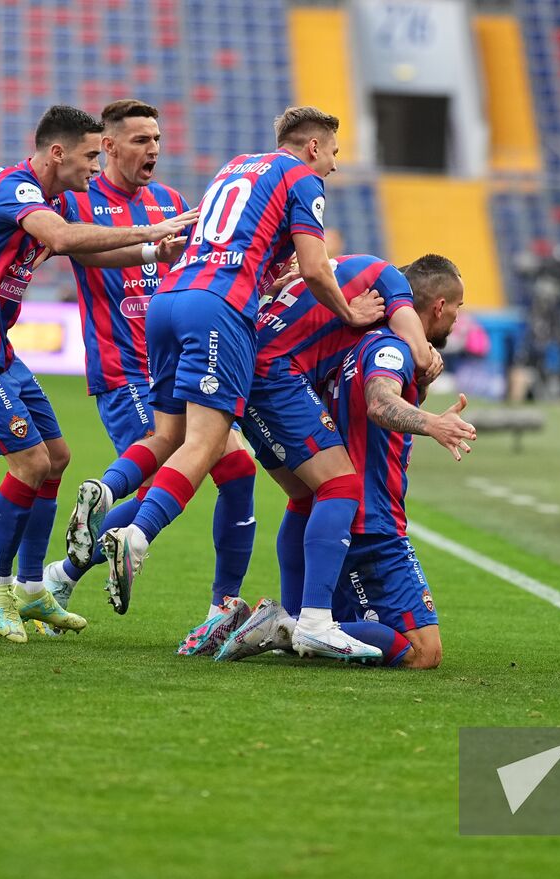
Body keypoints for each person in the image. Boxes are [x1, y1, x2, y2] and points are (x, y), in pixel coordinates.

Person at [90, 106, 385, 660]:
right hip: (218, 309)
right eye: (335, 155)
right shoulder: (302, 177)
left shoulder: (237, 167)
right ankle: (138, 535)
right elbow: (318, 268)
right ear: (314, 148)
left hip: (167, 302)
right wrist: (350, 313)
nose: (335, 169)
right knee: (207, 446)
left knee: (172, 438)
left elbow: (233, 242)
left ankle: (86, 529)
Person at [0, 104, 193, 643]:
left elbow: (87, 258)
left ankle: (31, 589)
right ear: (58, 153)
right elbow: (66, 240)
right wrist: (153, 226)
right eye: (92, 155)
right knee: (31, 462)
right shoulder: (14, 189)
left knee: (58, 459)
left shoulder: (51, 198)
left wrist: (150, 251)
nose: (97, 167)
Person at [41, 99, 258, 633]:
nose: (153, 149)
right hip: (124, 369)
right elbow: (81, 254)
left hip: (181, 364)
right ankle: (63, 575)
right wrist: (148, 251)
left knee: (238, 470)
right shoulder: (83, 199)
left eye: (157, 139)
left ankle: (220, 606)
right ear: (109, 146)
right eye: (140, 140)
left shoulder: (170, 201)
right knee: (163, 479)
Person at [174, 252, 438, 659]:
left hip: (245, 372)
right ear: (437, 306)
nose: (457, 316)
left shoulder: (341, 328)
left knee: (303, 495)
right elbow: (385, 394)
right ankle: (298, 622)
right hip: (374, 525)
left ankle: (293, 618)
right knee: (423, 653)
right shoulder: (389, 342)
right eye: (456, 307)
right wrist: (433, 416)